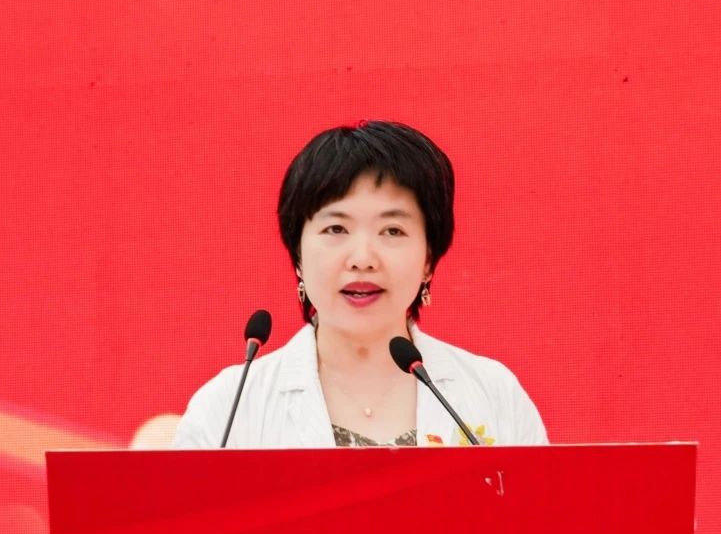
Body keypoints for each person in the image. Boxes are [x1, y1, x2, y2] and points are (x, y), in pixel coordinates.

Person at [172, 121, 547, 448]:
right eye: (336, 228)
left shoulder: (493, 393)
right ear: (298, 254)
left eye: (392, 230)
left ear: (428, 259)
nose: (363, 258)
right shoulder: (230, 406)